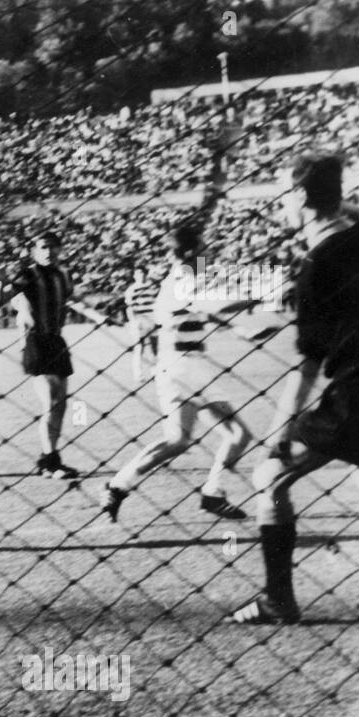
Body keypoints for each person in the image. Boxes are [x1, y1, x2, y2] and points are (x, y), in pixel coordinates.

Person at [231, 154, 359, 624]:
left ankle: (278, 598)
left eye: (285, 197)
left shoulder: (316, 267)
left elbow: (308, 366)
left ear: (299, 198)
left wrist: (278, 429)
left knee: (270, 478)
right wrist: (341, 204)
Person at [101, 222, 256, 524]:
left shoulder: (186, 274)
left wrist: (243, 328)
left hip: (183, 365)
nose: (208, 251)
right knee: (223, 436)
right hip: (183, 366)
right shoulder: (183, 276)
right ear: (189, 251)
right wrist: (253, 297)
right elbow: (212, 303)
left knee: (191, 439)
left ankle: (122, 486)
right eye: (202, 246)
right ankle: (207, 491)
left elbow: (205, 305)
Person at [3, 232, 81, 478]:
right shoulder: (27, 274)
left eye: (53, 247)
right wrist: (2, 284)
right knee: (51, 403)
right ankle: (50, 462)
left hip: (57, 341)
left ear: (60, 249)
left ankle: (49, 459)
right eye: (44, 247)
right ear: (35, 251)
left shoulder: (63, 275)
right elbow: (7, 297)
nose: (49, 252)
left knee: (62, 404)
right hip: (36, 342)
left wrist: (99, 316)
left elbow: (73, 300)